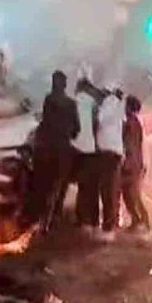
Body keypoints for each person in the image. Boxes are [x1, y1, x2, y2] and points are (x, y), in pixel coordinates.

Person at [29, 71, 80, 230]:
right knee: (59, 184)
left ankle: (40, 218)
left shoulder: (49, 99)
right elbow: (76, 129)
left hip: (45, 149)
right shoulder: (71, 104)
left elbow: (45, 122)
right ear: (65, 85)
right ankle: (53, 217)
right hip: (62, 150)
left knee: (42, 184)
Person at [55, 77, 101, 231]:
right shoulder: (95, 105)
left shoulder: (73, 102)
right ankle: (87, 220)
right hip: (90, 149)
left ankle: (56, 213)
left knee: (62, 180)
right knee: (87, 186)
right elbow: (97, 126)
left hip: (74, 147)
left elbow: (68, 125)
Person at [93, 87, 124, 242]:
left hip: (108, 154)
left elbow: (101, 120)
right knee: (110, 190)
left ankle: (108, 229)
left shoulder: (109, 102)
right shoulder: (117, 104)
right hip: (112, 154)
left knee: (108, 191)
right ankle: (110, 225)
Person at [120, 95, 150, 234]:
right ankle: (138, 221)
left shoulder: (130, 123)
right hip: (136, 163)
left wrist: (127, 162)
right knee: (129, 195)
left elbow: (130, 145)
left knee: (133, 195)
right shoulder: (135, 122)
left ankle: (144, 222)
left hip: (132, 164)